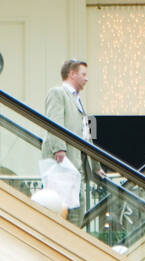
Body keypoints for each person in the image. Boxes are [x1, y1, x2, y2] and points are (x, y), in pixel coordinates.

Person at [42, 59, 93, 224]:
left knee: (78, 211)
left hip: (77, 165)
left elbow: (87, 133)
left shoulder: (79, 101)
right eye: (83, 74)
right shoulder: (57, 93)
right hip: (63, 163)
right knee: (64, 210)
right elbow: (54, 122)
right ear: (72, 74)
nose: (86, 79)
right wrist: (59, 149)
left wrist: (97, 165)